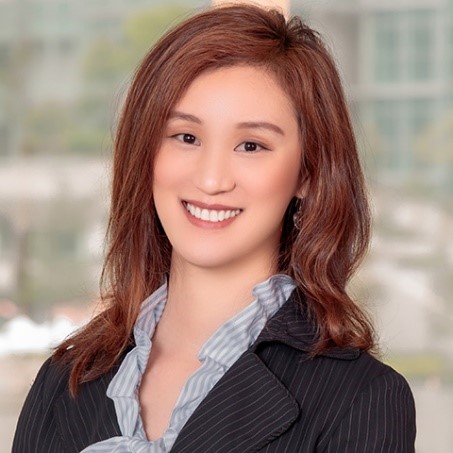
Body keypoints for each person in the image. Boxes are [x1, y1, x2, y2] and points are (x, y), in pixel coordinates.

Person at [13, 4, 416, 452]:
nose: (210, 180)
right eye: (186, 137)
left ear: (307, 173)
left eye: (251, 145)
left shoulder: (360, 398)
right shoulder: (63, 381)